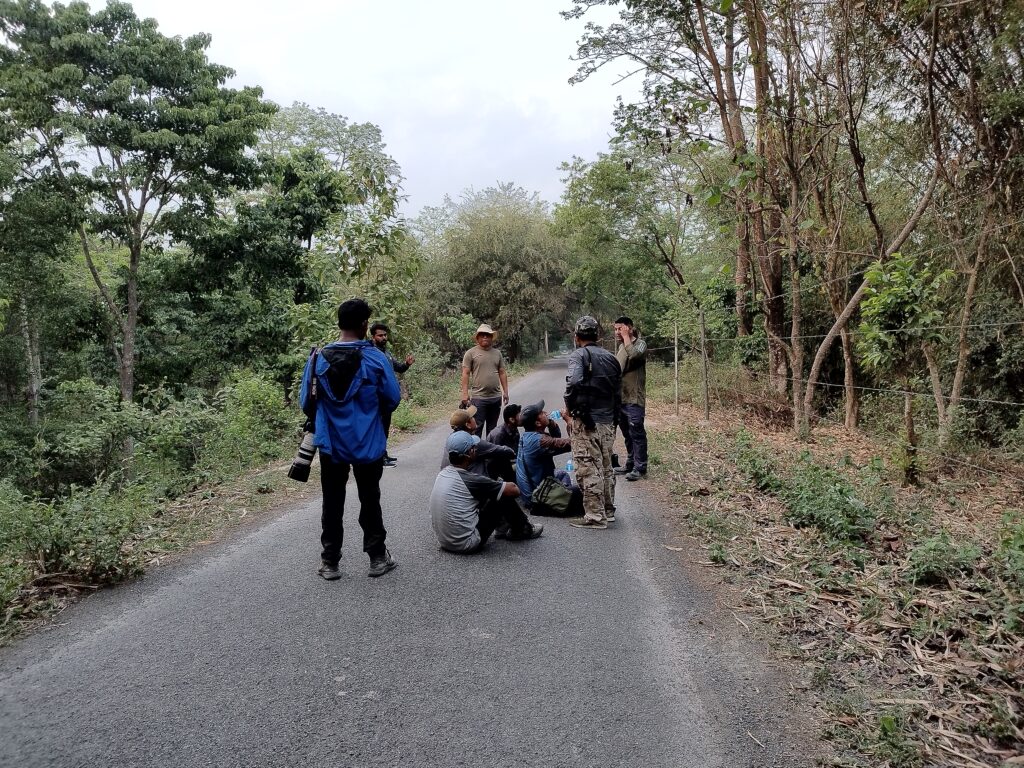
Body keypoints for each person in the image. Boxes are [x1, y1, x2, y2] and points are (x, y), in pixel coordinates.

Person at [300, 298, 401, 579]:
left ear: (340, 324)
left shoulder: (318, 359)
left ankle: (330, 562)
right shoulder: (376, 359)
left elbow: (306, 404)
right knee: (370, 498)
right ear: (364, 325)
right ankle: (377, 558)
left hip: (331, 445)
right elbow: (393, 398)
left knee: (332, 501)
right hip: (368, 444)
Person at [429, 431, 543, 554]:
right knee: (503, 495)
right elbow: (514, 490)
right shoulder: (471, 480)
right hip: (467, 543)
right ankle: (523, 529)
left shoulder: (443, 474)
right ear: (470, 453)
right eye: (474, 448)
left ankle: (503, 527)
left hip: (445, 541)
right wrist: (497, 481)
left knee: (493, 493)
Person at [564, 315, 622, 530]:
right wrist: (615, 420)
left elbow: (575, 381)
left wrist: (569, 404)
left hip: (586, 422)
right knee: (606, 466)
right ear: (597, 335)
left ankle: (595, 517)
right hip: (608, 422)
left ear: (576, 336)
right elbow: (618, 393)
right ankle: (608, 510)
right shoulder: (611, 358)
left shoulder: (578, 355)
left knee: (588, 467)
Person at [515, 400, 582, 517]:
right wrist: (568, 420)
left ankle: (562, 494)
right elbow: (575, 443)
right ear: (537, 423)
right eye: (541, 413)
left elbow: (555, 439)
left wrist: (550, 423)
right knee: (584, 491)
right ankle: (551, 503)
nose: (546, 413)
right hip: (538, 496)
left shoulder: (529, 435)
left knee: (562, 474)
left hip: (535, 487)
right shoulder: (539, 441)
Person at [370, 322, 415, 468]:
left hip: (387, 399)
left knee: (385, 427)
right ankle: (379, 458)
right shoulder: (372, 353)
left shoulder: (386, 353)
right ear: (373, 336)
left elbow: (399, 368)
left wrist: (407, 364)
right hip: (377, 398)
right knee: (378, 428)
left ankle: (384, 455)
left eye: (385, 335)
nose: (384, 338)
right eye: (380, 335)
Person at [613, 315, 648, 481]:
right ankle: (630, 463)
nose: (617, 332)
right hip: (622, 398)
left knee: (637, 433)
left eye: (620, 328)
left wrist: (627, 337)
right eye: (615, 329)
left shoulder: (640, 344)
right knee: (627, 433)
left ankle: (640, 467)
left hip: (634, 399)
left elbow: (634, 355)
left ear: (629, 328)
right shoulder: (621, 347)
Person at [460, 324, 509, 437]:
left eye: (487, 335)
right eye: (482, 335)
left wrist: (505, 392)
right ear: (477, 338)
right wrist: (464, 394)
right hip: (478, 398)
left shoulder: (497, 353)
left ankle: (490, 452)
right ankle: (476, 453)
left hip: (495, 397)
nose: (485, 337)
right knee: (476, 428)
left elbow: (502, 372)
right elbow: (465, 373)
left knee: (492, 430)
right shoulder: (470, 353)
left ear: (492, 337)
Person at [442, 406, 516, 480]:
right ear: (468, 425)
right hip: (470, 481)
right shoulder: (472, 441)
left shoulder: (451, 439)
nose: (475, 418)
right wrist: (514, 453)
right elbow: (503, 451)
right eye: (472, 417)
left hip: (451, 479)